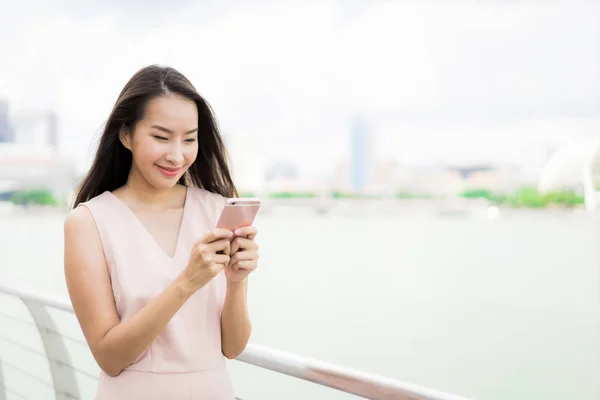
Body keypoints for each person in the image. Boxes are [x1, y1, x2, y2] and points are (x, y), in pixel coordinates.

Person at [63, 65, 259, 399]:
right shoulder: (89, 222)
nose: (177, 154)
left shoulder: (215, 210)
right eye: (161, 137)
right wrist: (186, 282)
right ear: (126, 135)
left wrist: (236, 281)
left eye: (189, 139)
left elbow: (233, 347)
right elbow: (109, 357)